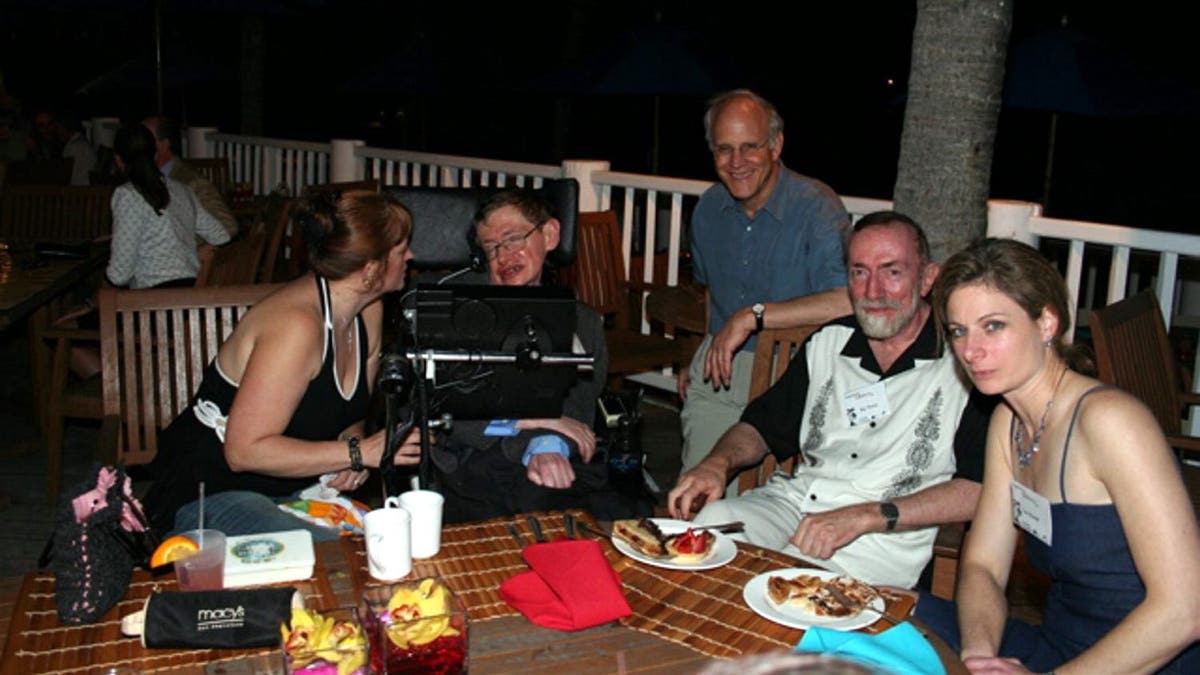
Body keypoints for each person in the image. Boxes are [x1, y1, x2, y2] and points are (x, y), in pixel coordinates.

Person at [918, 238, 1200, 674]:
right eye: (959, 330)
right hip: (1060, 646)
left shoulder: (1110, 422)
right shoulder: (1007, 423)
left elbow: (1186, 609)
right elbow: (983, 566)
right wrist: (978, 656)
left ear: (1047, 321)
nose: (971, 351)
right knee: (884, 613)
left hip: (1144, 660)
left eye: (993, 326)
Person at [668, 212, 993, 589]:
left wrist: (868, 516)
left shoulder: (962, 365)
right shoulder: (829, 342)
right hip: (797, 503)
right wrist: (716, 464)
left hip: (881, 537)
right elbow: (760, 427)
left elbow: (978, 489)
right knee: (712, 528)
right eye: (859, 272)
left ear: (927, 278)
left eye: (892, 272)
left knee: (784, 587)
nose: (873, 292)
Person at [143, 190, 422, 539]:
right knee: (334, 556)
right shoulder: (297, 326)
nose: (411, 256)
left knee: (389, 540)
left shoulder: (368, 311)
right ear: (370, 269)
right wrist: (358, 452)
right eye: (401, 249)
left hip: (289, 491)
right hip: (211, 491)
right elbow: (243, 451)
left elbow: (350, 416)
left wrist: (352, 455)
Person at [431, 189, 640, 522]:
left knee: (617, 514)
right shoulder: (462, 312)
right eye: (490, 248)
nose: (502, 257)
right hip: (472, 455)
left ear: (551, 235)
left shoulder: (581, 320)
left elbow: (577, 404)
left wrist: (546, 443)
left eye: (513, 239)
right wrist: (535, 422)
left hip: (550, 453)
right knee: (542, 506)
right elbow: (446, 410)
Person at [680, 89, 853, 473]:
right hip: (721, 377)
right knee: (695, 497)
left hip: (793, 375)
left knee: (771, 515)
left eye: (750, 147)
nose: (737, 162)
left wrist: (753, 316)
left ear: (775, 145)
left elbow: (848, 301)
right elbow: (710, 293)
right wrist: (699, 352)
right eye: (724, 149)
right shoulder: (708, 209)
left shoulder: (817, 207)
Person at [106, 124, 230, 289]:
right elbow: (221, 236)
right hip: (191, 289)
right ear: (155, 154)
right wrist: (191, 252)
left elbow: (119, 275)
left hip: (155, 300)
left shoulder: (128, 195)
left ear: (118, 159)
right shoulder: (181, 189)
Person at [143, 115, 239, 238]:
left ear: (164, 144)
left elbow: (227, 226)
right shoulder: (145, 177)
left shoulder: (191, 181)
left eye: (145, 139)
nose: (138, 144)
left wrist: (194, 250)